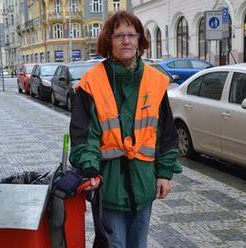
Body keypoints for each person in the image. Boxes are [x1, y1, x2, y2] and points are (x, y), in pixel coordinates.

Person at [69, 11, 182, 248]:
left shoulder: (155, 81)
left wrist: (164, 173)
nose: (126, 41)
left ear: (140, 40)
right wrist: (90, 168)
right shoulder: (91, 83)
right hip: (107, 182)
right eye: (119, 35)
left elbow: (166, 134)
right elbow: (83, 134)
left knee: (138, 243)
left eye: (132, 35)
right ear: (108, 41)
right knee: (114, 243)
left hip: (144, 181)